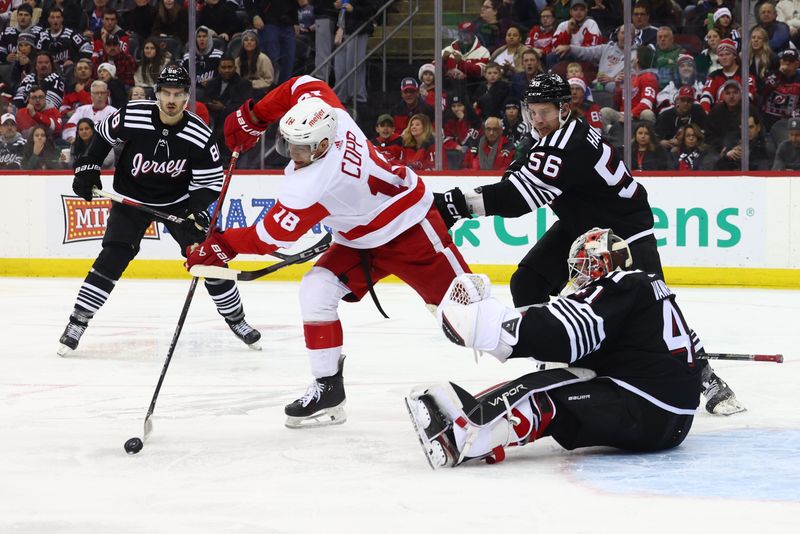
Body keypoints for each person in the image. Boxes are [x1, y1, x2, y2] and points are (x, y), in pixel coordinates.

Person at [433, 73, 743, 415]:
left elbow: (518, 198)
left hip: (623, 234)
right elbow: (521, 176)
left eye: (545, 112)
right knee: (528, 282)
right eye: (532, 111)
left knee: (657, 308)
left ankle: (706, 378)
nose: (537, 119)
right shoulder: (559, 135)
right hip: (580, 226)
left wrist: (451, 205)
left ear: (564, 109)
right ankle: (557, 358)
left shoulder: (566, 144)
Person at [185, 75, 471, 428]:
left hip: (409, 230)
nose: (292, 152)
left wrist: (222, 245)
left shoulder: (316, 182)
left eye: (300, 147)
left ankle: (548, 349)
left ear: (321, 147)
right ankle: (328, 389)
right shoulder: (331, 114)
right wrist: (255, 115)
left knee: (470, 314)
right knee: (317, 289)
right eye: (288, 142)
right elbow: (302, 85)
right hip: (359, 236)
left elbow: (268, 237)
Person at [406, 228, 702, 468]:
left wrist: (496, 328)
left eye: (584, 265)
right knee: (566, 375)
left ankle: (471, 437)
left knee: (549, 394)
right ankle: (479, 414)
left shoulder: (620, 284)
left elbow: (566, 328)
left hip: (645, 408)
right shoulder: (650, 289)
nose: (580, 277)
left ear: (604, 262)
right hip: (674, 418)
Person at [57, 65, 261, 357]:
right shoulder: (133, 114)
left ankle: (237, 320)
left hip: (178, 203)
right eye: (166, 92)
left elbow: (210, 182)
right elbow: (102, 136)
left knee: (207, 256)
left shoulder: (199, 134)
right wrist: (88, 167)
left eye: (178, 94)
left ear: (187, 97)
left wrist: (197, 211)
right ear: (157, 94)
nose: (171, 99)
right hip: (131, 199)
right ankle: (77, 322)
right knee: (113, 256)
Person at [61, 80, 116, 144]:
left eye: (102, 93)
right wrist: (73, 137)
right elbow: (69, 126)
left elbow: (114, 134)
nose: (100, 96)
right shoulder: (81, 110)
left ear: (107, 94)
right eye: (96, 93)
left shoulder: (114, 112)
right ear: (91, 95)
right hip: (79, 144)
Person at [655, 85, 707, 151]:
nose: (685, 103)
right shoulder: (665, 116)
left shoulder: (698, 111)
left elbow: (704, 133)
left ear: (693, 102)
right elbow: (655, 137)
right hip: (670, 150)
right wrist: (661, 142)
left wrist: (681, 142)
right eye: (682, 100)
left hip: (693, 146)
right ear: (677, 100)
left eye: (689, 100)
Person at [235, 29, 274, 99]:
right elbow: (235, 79)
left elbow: (269, 80)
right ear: (242, 43)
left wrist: (250, 84)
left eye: (252, 40)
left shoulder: (263, 59)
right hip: (241, 90)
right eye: (246, 40)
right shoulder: (238, 60)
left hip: (259, 91)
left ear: (256, 43)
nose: (249, 42)